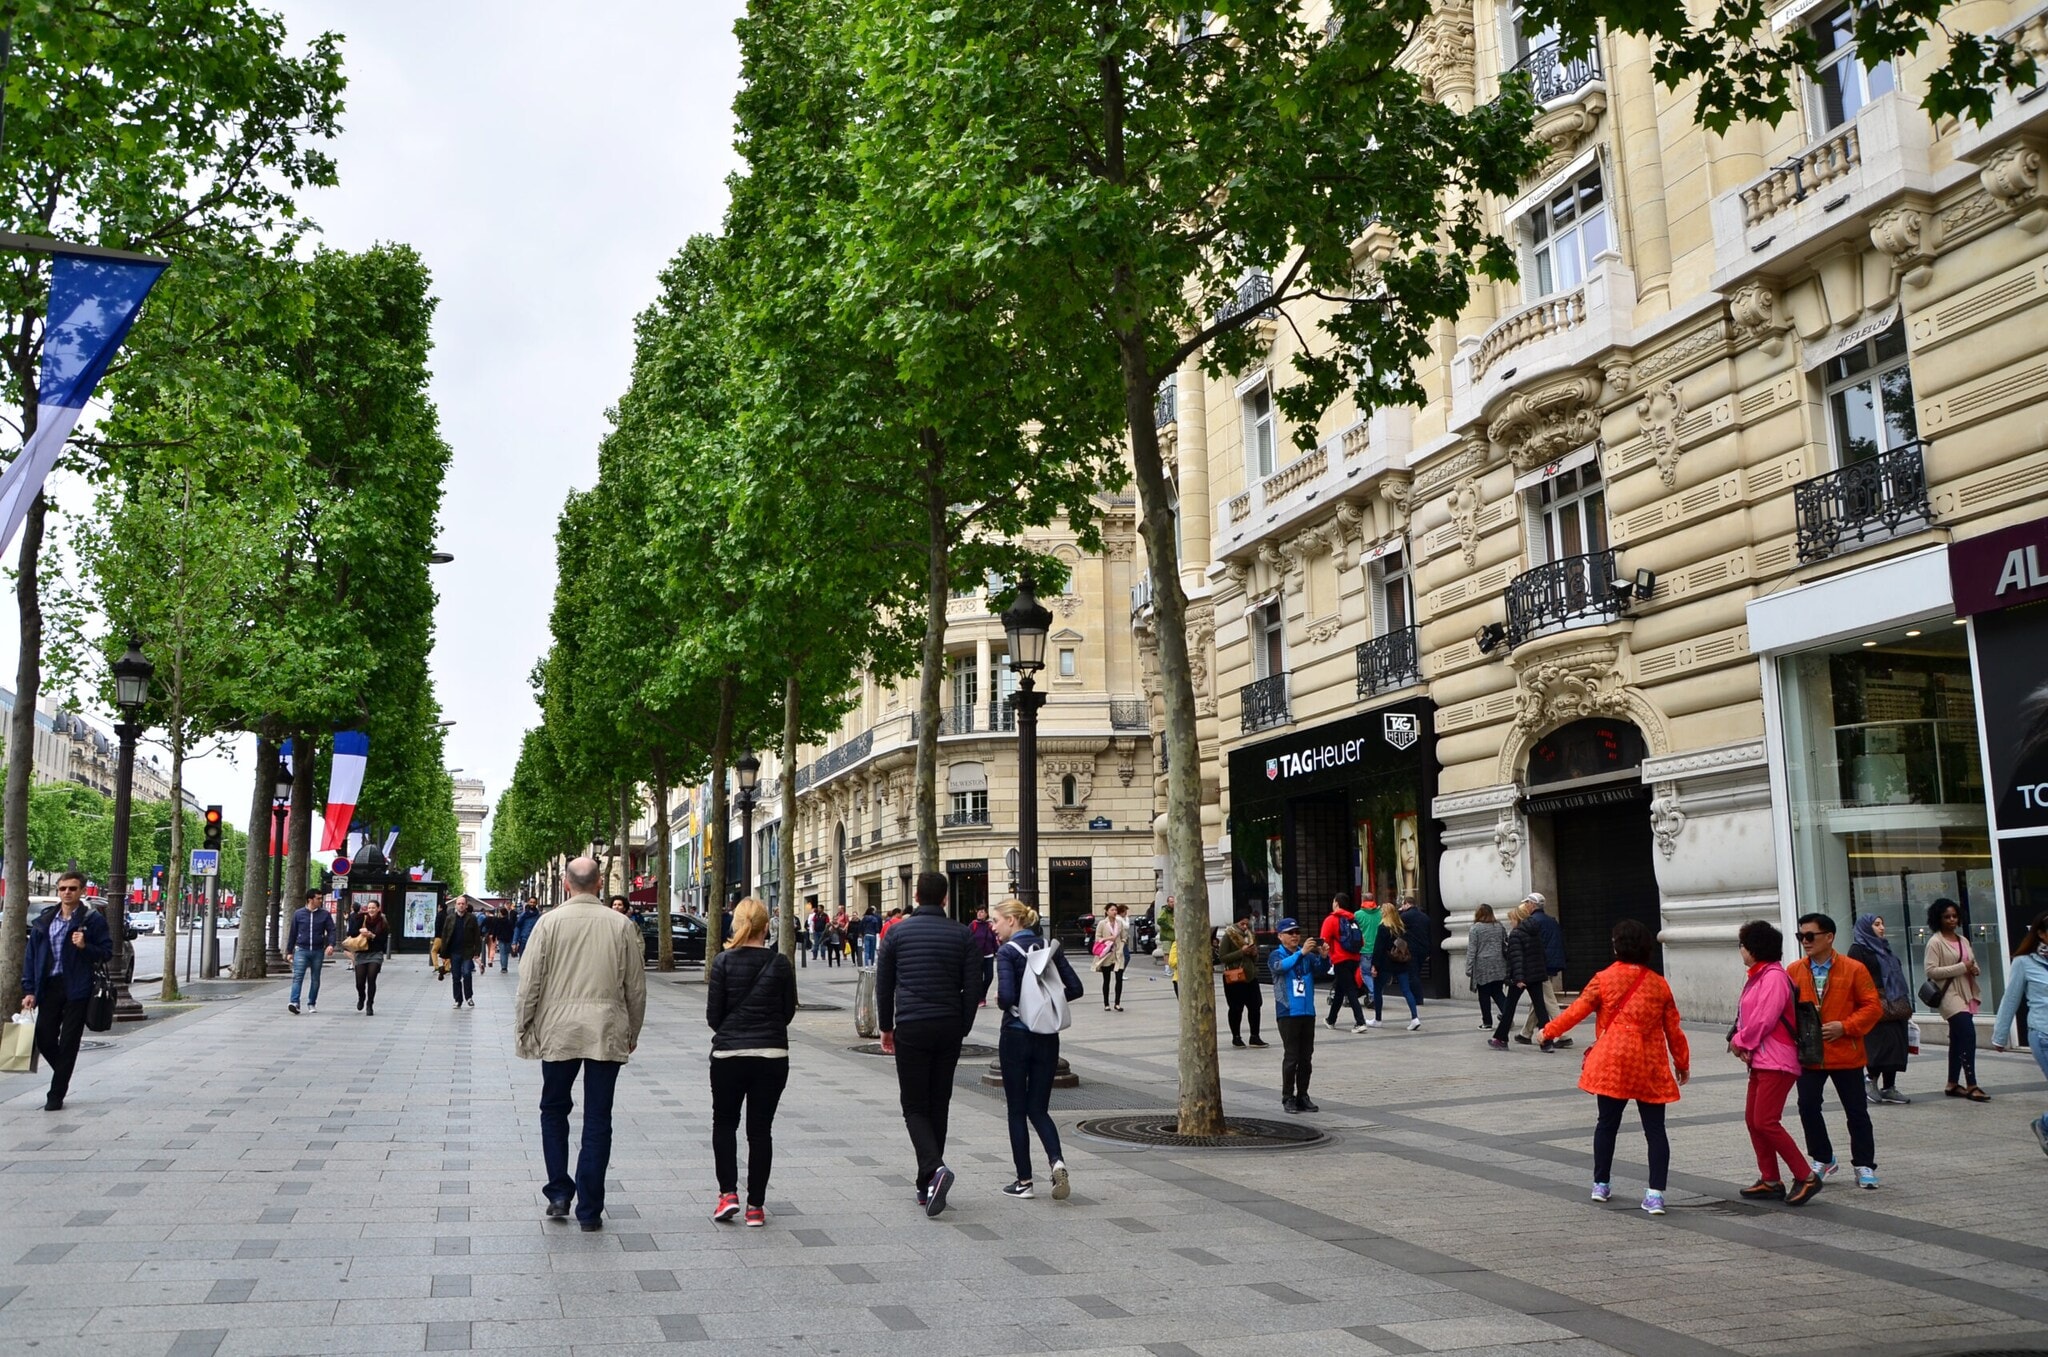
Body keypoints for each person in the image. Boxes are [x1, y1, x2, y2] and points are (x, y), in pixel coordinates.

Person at [514, 856, 647, 1232]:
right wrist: (632, 1031)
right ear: (600, 883)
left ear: (565, 883)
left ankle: (559, 1191)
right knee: (598, 1118)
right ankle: (590, 1209)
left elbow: (529, 982)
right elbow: (636, 987)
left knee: (553, 1109)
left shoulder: (548, 923)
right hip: (605, 1028)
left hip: (558, 1029)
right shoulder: (621, 925)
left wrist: (524, 1027)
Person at [1541, 920, 1690, 1214]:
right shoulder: (1659, 984)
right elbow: (1673, 1029)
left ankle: (1601, 1183)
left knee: (1607, 1124)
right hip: (1649, 1063)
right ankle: (1655, 1194)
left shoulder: (1604, 979)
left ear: (1616, 947)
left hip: (1613, 1062)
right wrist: (1682, 1062)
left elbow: (1576, 1011)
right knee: (1655, 1130)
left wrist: (1548, 1031)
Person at [876, 870, 985, 1215]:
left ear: (916, 897)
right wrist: (963, 1025)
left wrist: (886, 1026)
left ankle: (934, 1170)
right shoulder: (963, 934)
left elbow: (884, 984)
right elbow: (974, 985)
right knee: (939, 1102)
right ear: (945, 898)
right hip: (948, 1025)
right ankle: (927, 1182)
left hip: (911, 1025)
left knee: (914, 1105)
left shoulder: (896, 933)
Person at [706, 897, 799, 1227]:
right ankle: (755, 1207)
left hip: (729, 1056)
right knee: (760, 1131)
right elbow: (787, 1012)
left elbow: (713, 1016)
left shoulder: (722, 962)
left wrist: (734, 1032)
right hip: (771, 1055)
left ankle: (727, 1194)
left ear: (736, 923)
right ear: (766, 926)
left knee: (724, 1123)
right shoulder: (780, 963)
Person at [991, 898, 1083, 1199]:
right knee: (1039, 1109)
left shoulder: (1007, 952)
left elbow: (1006, 997)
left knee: (1017, 1110)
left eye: (997, 920)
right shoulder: (1049, 948)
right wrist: (1047, 1004)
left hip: (1016, 1036)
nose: (994, 927)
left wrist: (1005, 1001)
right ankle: (1057, 1162)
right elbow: (1076, 988)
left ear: (1012, 920)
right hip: (1047, 1037)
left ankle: (1024, 1182)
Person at [1729, 919, 1824, 1206]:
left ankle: (1806, 1176)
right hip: (1762, 1059)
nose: (1740, 950)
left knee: (1766, 1121)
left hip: (1777, 1061)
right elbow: (1748, 1017)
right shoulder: (1758, 976)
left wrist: (1740, 1041)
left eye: (1742, 945)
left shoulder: (1773, 977)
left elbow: (1764, 1019)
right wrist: (1745, 1044)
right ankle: (1770, 1179)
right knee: (1754, 1120)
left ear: (1754, 948)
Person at [1787, 912, 1884, 1189]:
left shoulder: (1854, 968)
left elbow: (1872, 1006)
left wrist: (1845, 1026)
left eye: (1810, 936)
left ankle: (1864, 1164)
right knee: (1807, 1106)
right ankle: (1823, 1158)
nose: (1805, 941)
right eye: (1800, 936)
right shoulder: (1794, 970)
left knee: (1856, 1111)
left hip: (1846, 1052)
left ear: (1829, 937)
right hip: (1810, 1054)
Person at [18, 870, 112, 1111]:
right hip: (49, 987)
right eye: (63, 888)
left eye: (72, 888)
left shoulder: (92, 920)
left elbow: (106, 952)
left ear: (82, 891)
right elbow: (31, 957)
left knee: (69, 1041)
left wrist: (85, 946)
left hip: (78, 988)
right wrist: (29, 990)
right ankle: (64, 1070)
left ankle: (55, 1095)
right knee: (44, 1037)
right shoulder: (45, 920)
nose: (67, 892)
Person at [1991, 911, 2048, 1157]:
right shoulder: (2024, 963)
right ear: (2041, 934)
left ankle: (2044, 1124)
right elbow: (2010, 999)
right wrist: (2000, 1036)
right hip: (2043, 1035)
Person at [1923, 898, 1989, 1101]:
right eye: (1946, 917)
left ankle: (1952, 1083)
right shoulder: (1935, 942)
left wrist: (1974, 968)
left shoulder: (1963, 940)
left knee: (1958, 1038)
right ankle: (1972, 1084)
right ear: (1938, 919)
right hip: (1949, 994)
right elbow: (1931, 971)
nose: (1951, 920)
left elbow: (1971, 961)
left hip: (1966, 991)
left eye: (1954, 916)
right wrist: (1962, 967)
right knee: (1968, 1035)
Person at [1847, 912, 1912, 1104]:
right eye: (1876, 924)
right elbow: (1855, 979)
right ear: (1866, 928)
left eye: (1882, 924)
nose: (1882, 928)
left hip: (1895, 1003)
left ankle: (1889, 1086)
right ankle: (1871, 1079)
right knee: (1879, 1044)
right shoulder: (1858, 950)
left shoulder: (1885, 948)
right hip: (1874, 1004)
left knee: (1896, 1044)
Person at [1270, 918, 1332, 1113]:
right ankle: (1287, 1097)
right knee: (1291, 1056)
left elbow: (1322, 971)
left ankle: (1303, 1095)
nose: (1295, 936)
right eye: (1290, 933)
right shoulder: (1276, 955)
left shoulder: (1306, 955)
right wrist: (1302, 953)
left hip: (1307, 1012)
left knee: (1306, 1057)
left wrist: (1324, 957)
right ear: (1280, 936)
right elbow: (1279, 967)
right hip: (1288, 1012)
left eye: (1297, 932)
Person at [1490, 904, 1557, 1050]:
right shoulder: (1535, 931)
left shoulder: (1516, 934)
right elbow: (1541, 954)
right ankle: (1547, 1041)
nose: (1510, 922)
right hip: (1536, 975)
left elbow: (1517, 958)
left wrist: (1519, 979)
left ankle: (1501, 1038)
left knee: (1509, 1008)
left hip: (1521, 976)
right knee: (1540, 1009)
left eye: (1511, 919)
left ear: (1518, 919)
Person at [1520, 893, 1570, 1046]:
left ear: (1532, 905)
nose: (1525, 906)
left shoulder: (1533, 922)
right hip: (1551, 963)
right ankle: (1525, 1033)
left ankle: (1563, 1035)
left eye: (1527, 903)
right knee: (1538, 998)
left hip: (1540, 966)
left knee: (1549, 1000)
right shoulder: (1551, 920)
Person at [1320, 892, 1369, 1033]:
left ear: (1336, 903)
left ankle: (1360, 1021)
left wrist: (1324, 955)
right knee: (1340, 990)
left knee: (1350, 990)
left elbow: (1323, 940)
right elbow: (1362, 941)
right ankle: (1331, 1019)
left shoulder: (1331, 919)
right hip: (1354, 959)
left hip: (1340, 959)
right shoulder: (1352, 919)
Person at [1369, 899, 1421, 1030]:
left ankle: (1378, 1019)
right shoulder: (1400, 928)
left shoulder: (1383, 928)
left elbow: (1378, 949)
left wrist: (1374, 965)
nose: (1381, 913)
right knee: (1406, 990)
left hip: (1385, 964)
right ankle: (1415, 1018)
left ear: (1385, 913)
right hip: (1401, 963)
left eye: (1382, 911)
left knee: (1378, 990)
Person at [1218, 913, 1266, 1048]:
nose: (1245, 927)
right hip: (1235, 977)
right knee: (1236, 1008)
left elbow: (1254, 959)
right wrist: (1241, 952)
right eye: (1242, 924)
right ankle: (1236, 1037)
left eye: (1247, 924)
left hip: (1250, 976)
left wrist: (1254, 954)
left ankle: (1255, 1036)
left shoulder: (1251, 935)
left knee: (1255, 1006)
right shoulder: (1229, 935)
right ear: (1236, 924)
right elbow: (1222, 957)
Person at [287, 889, 336, 1015]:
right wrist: (289, 951)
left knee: (315, 978)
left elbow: (331, 930)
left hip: (317, 950)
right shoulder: (298, 914)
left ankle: (311, 1002)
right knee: (298, 976)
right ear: (310, 899)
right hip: (301, 949)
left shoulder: (324, 914)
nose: (320, 900)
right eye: (318, 898)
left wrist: (331, 944)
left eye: (321, 898)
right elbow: (293, 933)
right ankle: (294, 1002)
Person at [345, 897, 393, 1016]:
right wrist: (360, 931)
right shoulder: (361, 918)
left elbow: (383, 940)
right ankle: (361, 997)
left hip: (375, 953)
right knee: (360, 982)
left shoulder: (383, 921)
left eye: (373, 908)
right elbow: (351, 932)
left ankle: (369, 1004)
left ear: (378, 909)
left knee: (371, 979)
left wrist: (372, 936)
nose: (371, 910)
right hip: (361, 953)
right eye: (369, 907)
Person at [1465, 904, 1509, 1031]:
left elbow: (1472, 949)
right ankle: (1508, 1016)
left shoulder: (1475, 928)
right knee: (1498, 992)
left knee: (1484, 994)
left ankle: (1487, 1022)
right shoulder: (1499, 926)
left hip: (1482, 965)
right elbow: (1505, 943)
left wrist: (1469, 967)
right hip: (1499, 963)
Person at [439, 896, 486, 1010]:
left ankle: (469, 997)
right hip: (454, 951)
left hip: (467, 951)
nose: (461, 905)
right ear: (456, 905)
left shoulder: (471, 918)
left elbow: (477, 936)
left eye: (462, 904)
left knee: (467, 973)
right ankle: (458, 999)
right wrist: (443, 954)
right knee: (456, 976)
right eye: (459, 903)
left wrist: (477, 952)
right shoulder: (450, 918)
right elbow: (445, 935)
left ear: (466, 905)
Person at [1400, 895, 1435, 1009]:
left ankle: (1417, 998)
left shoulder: (1405, 916)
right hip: (1423, 948)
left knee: (1413, 974)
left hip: (1411, 948)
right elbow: (1429, 934)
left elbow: (1397, 927)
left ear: (1407, 904)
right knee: (1417, 972)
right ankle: (1417, 996)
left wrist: (1400, 912)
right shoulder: (1425, 917)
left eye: (1403, 905)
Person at [1093, 903, 1130, 1011]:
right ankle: (1106, 1003)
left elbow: (1124, 936)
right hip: (1107, 954)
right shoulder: (1102, 923)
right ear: (1107, 911)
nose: (1114, 912)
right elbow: (1097, 938)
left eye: (1115, 910)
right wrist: (1108, 939)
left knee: (1119, 978)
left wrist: (1122, 943)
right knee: (1106, 979)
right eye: (1112, 910)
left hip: (1118, 954)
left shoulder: (1119, 922)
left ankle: (1117, 1003)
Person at [1353, 895, 1381, 1001]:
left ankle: (1373, 994)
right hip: (1378, 948)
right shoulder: (1380, 914)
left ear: (1363, 901)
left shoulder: (1358, 915)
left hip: (1365, 948)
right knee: (1377, 974)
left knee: (1366, 973)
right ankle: (1376, 993)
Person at [970, 905, 999, 1002]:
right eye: (978, 911)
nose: (979, 913)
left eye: (982, 911)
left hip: (988, 955)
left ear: (986, 914)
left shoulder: (989, 926)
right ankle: (980, 998)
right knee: (978, 978)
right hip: (977, 956)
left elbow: (994, 940)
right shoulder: (973, 925)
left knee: (989, 977)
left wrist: (997, 951)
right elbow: (968, 939)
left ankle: (982, 994)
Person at [512, 897, 541, 962]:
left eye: (534, 902)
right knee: (522, 961)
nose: (532, 904)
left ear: (536, 904)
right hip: (523, 941)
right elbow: (517, 928)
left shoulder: (538, 916)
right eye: (531, 902)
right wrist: (514, 942)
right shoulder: (523, 915)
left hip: (534, 941)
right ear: (528, 902)